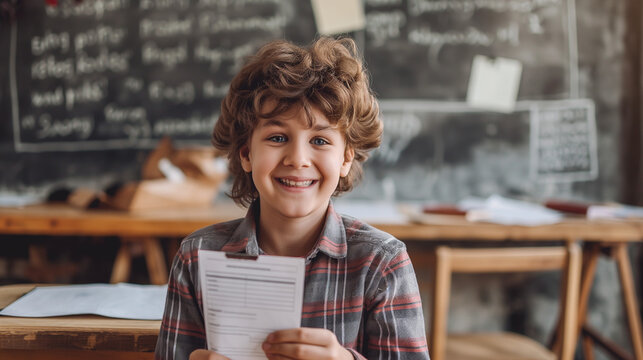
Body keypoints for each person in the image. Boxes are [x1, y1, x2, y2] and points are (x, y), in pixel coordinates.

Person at [155, 36, 429, 360]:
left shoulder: (382, 264)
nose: (297, 159)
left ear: (345, 159)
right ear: (246, 154)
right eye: (278, 137)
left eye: (320, 140)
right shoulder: (196, 257)